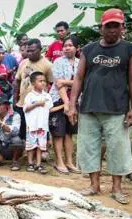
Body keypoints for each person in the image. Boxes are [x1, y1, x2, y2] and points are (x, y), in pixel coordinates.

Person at [68, 8, 132, 205]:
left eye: (116, 26)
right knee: (88, 147)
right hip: (89, 106)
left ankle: (117, 188)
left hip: (117, 108)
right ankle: (94, 185)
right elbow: (79, 78)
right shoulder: (89, 49)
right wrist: (72, 105)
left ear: (122, 27)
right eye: (109, 26)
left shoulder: (130, 49)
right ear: (102, 28)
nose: (112, 30)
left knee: (118, 148)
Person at [49, 35, 80, 174]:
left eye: (70, 45)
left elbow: (83, 82)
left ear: (77, 48)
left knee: (69, 133)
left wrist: (68, 82)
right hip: (58, 100)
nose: (67, 48)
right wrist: (67, 104)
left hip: (76, 101)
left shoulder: (80, 63)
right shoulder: (58, 62)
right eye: (65, 45)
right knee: (58, 133)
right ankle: (59, 162)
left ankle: (69, 162)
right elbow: (58, 84)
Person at [14, 38, 53, 140]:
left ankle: (41, 152)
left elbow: (52, 84)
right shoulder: (23, 63)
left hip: (38, 105)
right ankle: (26, 152)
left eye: (32, 51)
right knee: (22, 132)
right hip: (22, 104)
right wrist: (15, 101)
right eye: (28, 51)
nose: (29, 53)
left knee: (38, 131)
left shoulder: (47, 65)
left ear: (40, 50)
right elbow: (17, 81)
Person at [23, 72, 53, 174]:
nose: (43, 83)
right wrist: (36, 104)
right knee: (31, 145)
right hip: (32, 125)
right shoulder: (30, 96)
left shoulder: (47, 96)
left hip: (42, 126)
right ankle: (30, 163)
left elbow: (49, 108)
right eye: (40, 81)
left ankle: (39, 164)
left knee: (40, 146)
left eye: (44, 81)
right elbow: (26, 109)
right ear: (33, 83)